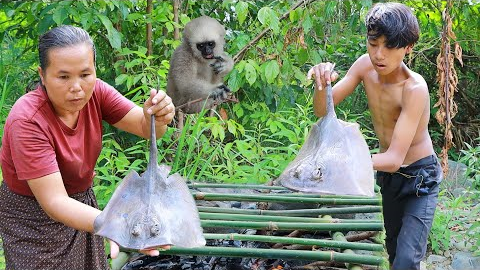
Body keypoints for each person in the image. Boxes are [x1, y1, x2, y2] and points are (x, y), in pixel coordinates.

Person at [0, 25, 175, 269]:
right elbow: (54, 202)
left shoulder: (97, 93)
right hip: (33, 217)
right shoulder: (28, 120)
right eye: (63, 77)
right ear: (42, 75)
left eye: (85, 74)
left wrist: (157, 116)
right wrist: (117, 223)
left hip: (81, 205)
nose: (77, 87)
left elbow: (146, 128)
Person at [308, 3, 442, 270]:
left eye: (389, 46)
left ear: (408, 47)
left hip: (420, 180)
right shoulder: (364, 66)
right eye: (373, 43)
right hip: (389, 179)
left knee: (406, 261)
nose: (379, 54)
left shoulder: (414, 88)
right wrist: (321, 83)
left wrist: (343, 159)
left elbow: (394, 158)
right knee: (392, 250)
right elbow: (323, 110)